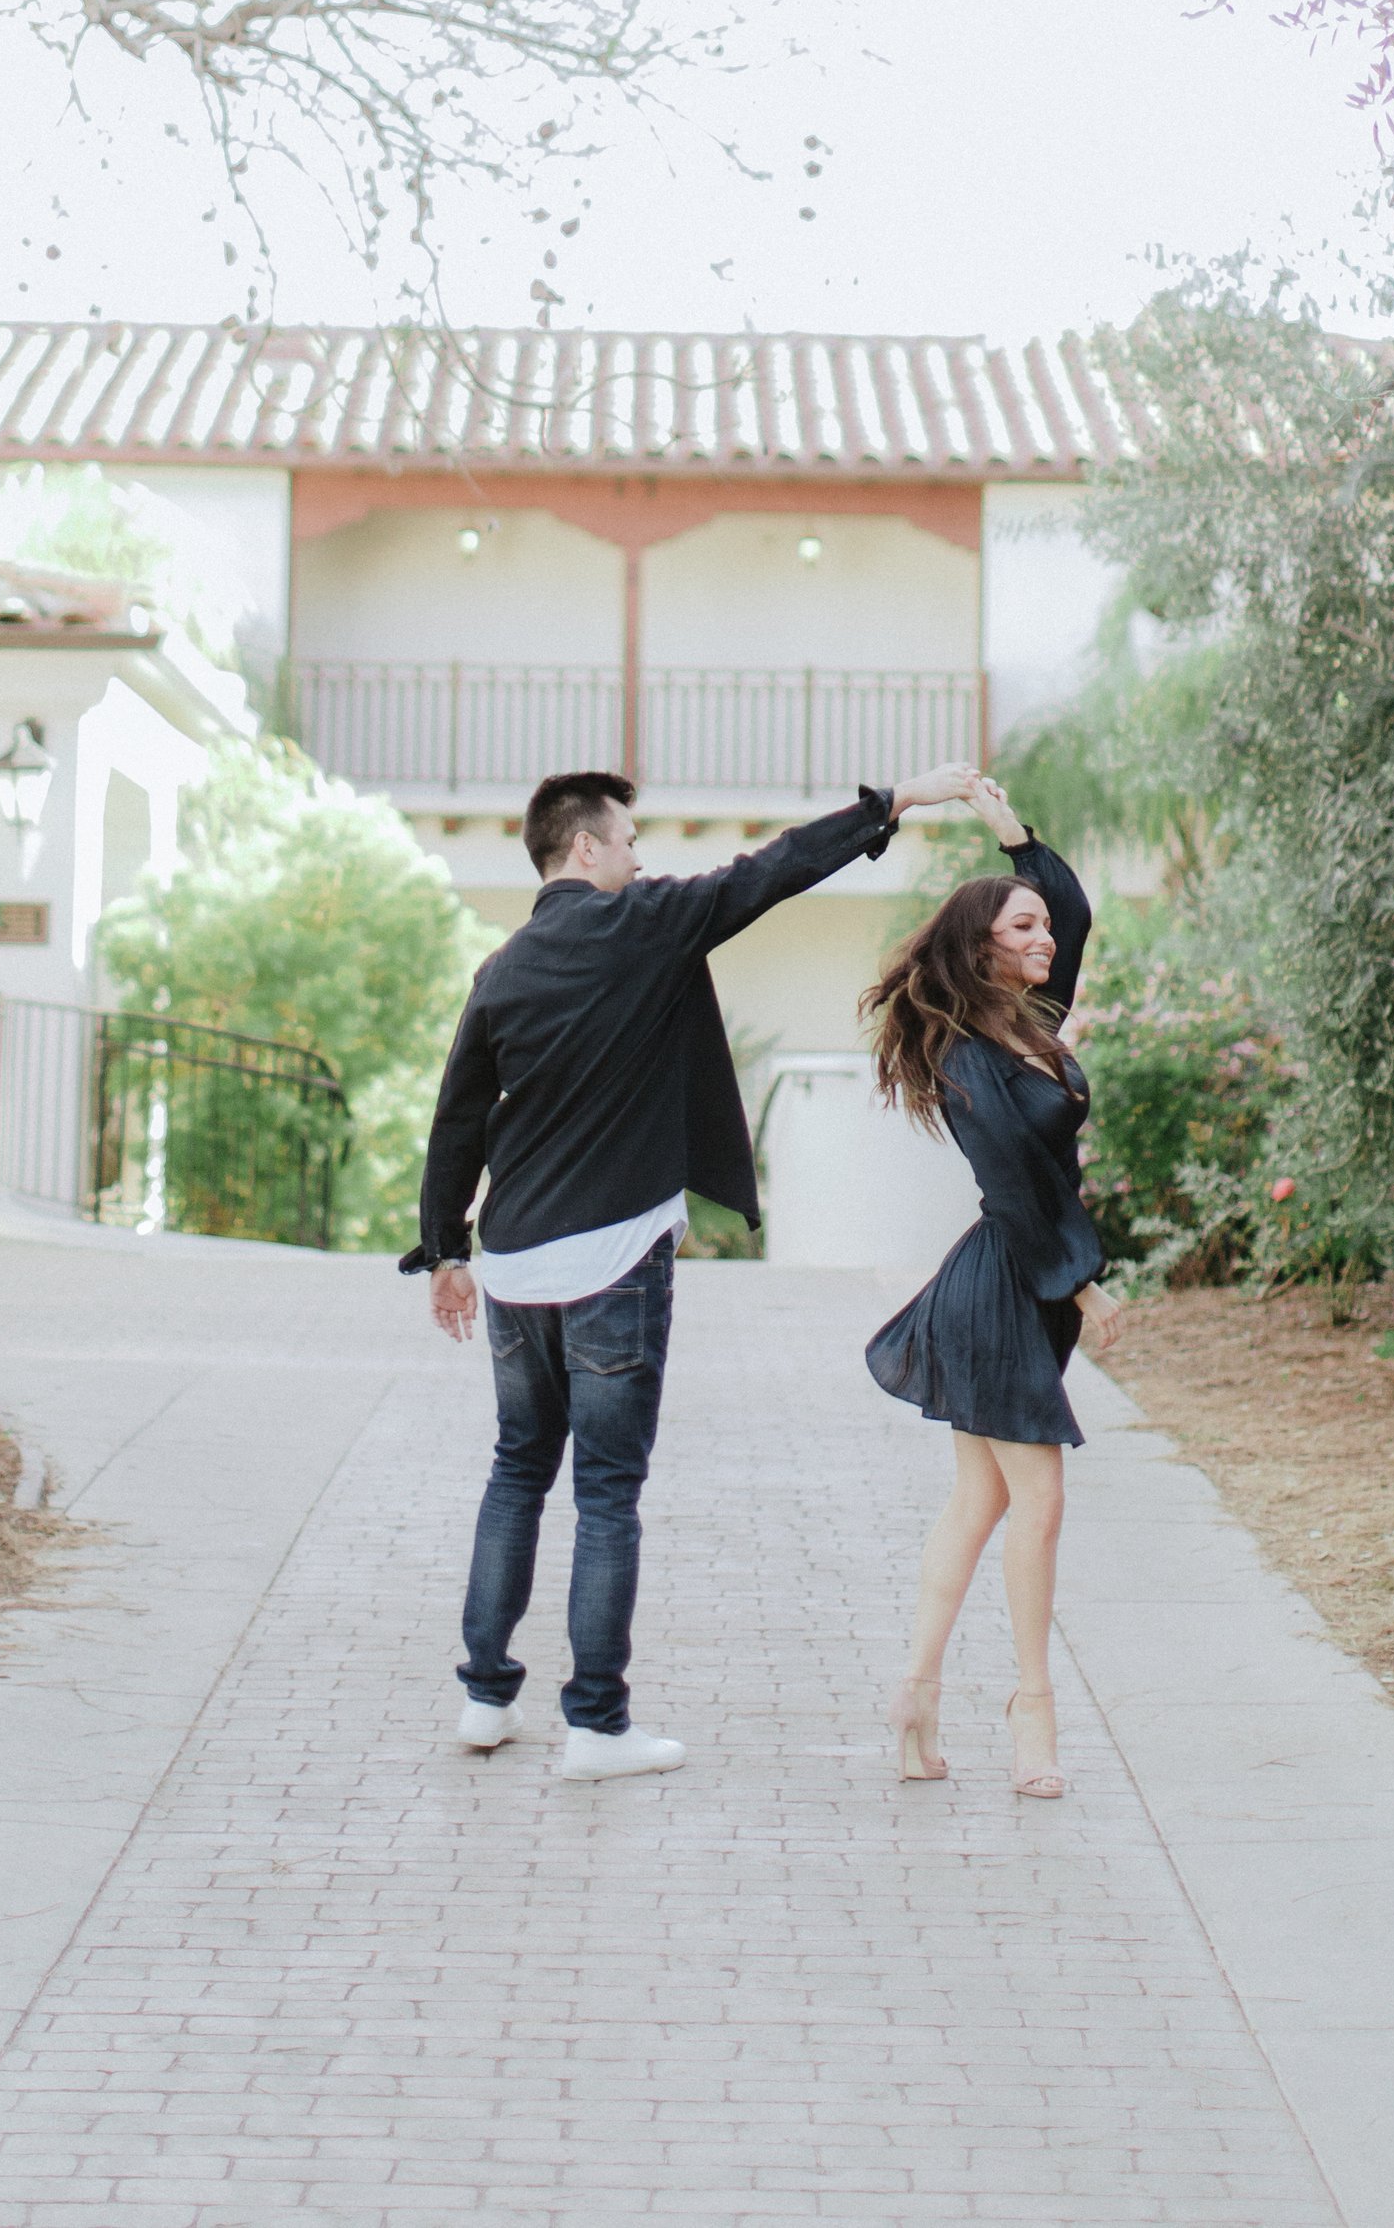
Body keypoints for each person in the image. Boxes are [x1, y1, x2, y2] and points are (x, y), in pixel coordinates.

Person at [410, 756, 981, 1781]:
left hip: (513, 1267)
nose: (638, 856)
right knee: (607, 1492)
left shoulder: (499, 970)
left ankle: (484, 1699)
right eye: (627, 839)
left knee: (515, 1473)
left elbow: (457, 1119)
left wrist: (448, 1251)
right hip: (612, 1263)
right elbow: (768, 872)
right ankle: (594, 1725)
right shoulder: (646, 924)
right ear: (584, 846)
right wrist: (890, 801)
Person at [860, 770, 1123, 1798]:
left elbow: (1077, 910)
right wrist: (1084, 1286)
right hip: (1006, 1283)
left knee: (976, 1503)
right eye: (1023, 926)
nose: (1045, 935)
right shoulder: (971, 1051)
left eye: (1042, 927)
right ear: (982, 947)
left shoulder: (1023, 1022)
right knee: (1038, 1502)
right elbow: (1017, 1183)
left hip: (1012, 1283)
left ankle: (916, 1695)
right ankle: (1031, 1713)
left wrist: (1012, 835)